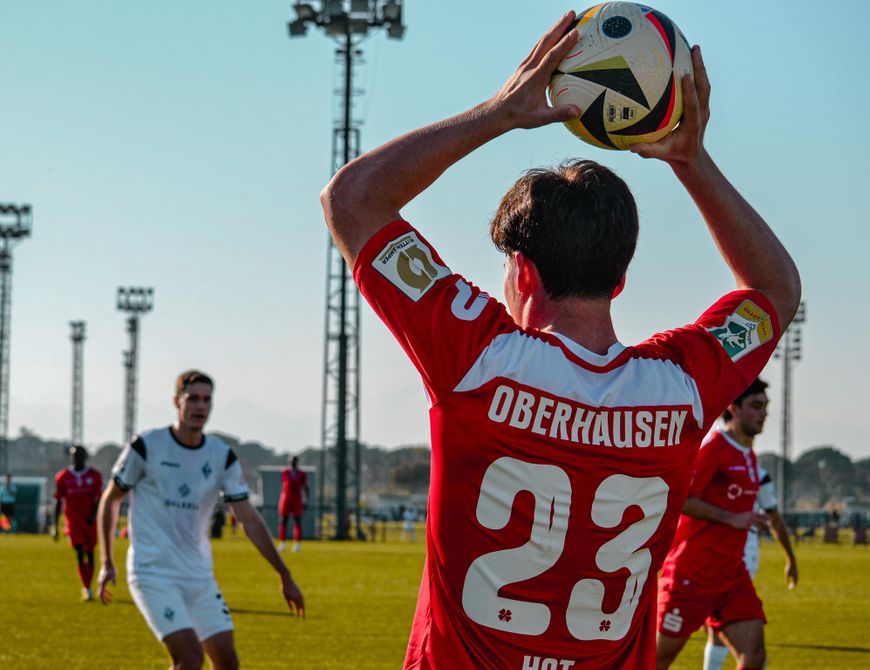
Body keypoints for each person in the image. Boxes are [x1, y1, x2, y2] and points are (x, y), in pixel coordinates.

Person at [319, 11, 800, 670]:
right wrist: (691, 160)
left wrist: (498, 112)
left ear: (522, 271)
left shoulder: (479, 360)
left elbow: (353, 200)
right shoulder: (681, 388)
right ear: (621, 278)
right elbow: (776, 290)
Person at [97, 370, 304, 670]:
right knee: (190, 659)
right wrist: (107, 561)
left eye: (206, 400)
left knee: (227, 661)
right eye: (192, 398)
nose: (200, 406)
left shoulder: (221, 456)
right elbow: (110, 500)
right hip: (152, 573)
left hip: (199, 577)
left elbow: (249, 519)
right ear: (176, 402)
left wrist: (284, 575)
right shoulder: (146, 446)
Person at [658, 379, 798, 670]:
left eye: (766, 407)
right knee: (656, 661)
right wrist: (732, 518)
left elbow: (772, 516)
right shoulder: (713, 449)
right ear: (733, 408)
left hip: (731, 576)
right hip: (692, 575)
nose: (764, 414)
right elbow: (681, 499)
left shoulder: (748, 454)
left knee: (754, 655)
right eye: (756, 406)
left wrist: (790, 557)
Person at [53, 446, 104, 600]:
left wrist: (94, 515)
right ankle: (86, 588)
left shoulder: (95, 476)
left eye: (80, 455)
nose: (77, 458)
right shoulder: (62, 476)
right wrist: (55, 527)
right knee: (80, 552)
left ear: (86, 457)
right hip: (73, 522)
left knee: (90, 553)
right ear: (70, 457)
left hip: (90, 522)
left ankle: (89, 584)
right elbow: (58, 501)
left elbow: (99, 499)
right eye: (75, 455)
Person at [277, 455, 309, 553]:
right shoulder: (285, 472)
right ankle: (282, 542)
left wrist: (306, 500)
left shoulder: (302, 474)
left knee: (297, 521)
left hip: (297, 498)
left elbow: (306, 487)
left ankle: (297, 543)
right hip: (286, 498)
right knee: (283, 520)